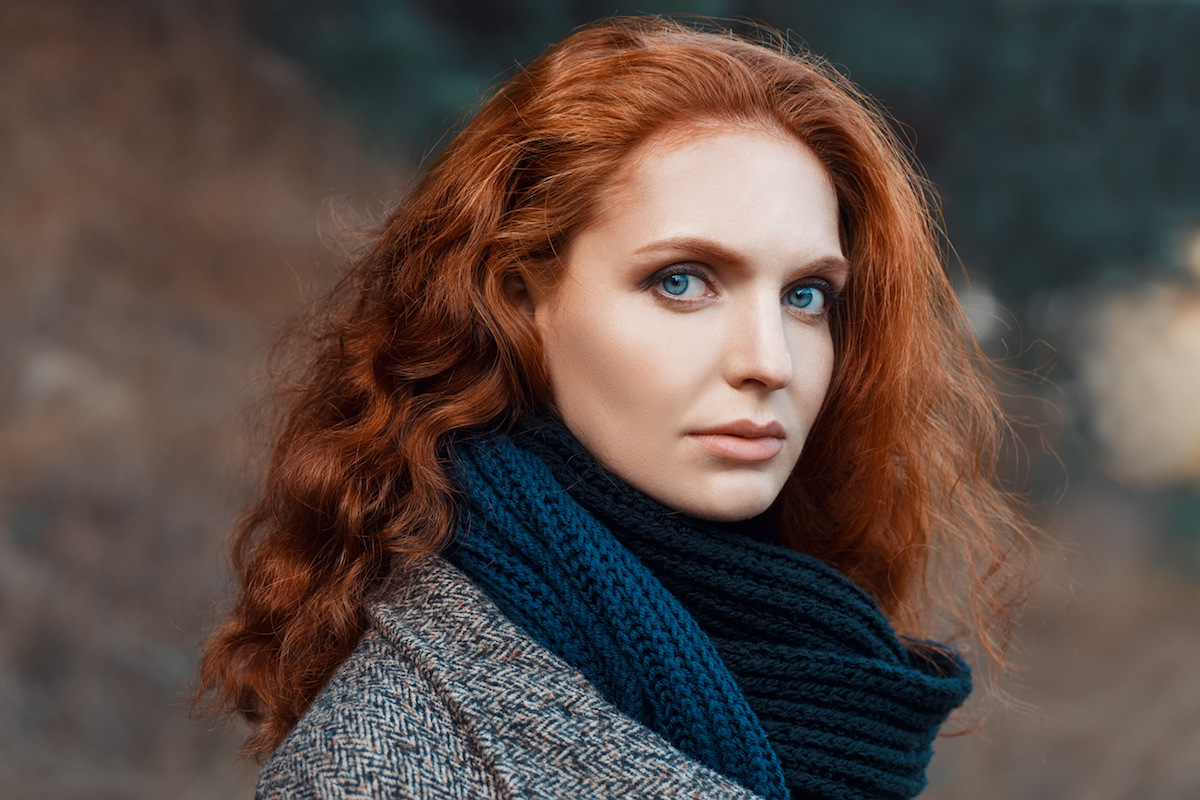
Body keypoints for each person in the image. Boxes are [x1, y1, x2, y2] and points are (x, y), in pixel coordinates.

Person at [195, 16, 1034, 800]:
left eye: (807, 296)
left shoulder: (830, 674)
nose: (769, 362)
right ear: (522, 300)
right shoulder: (382, 766)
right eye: (682, 281)